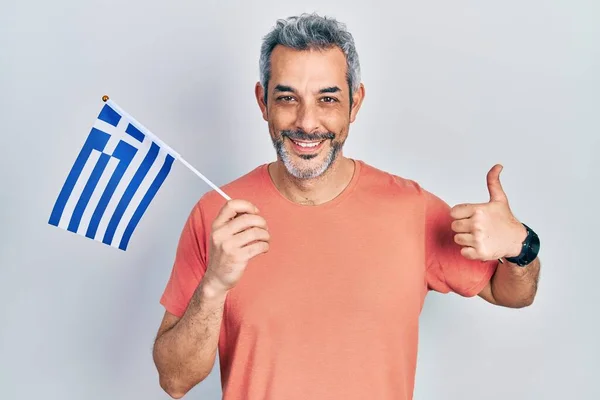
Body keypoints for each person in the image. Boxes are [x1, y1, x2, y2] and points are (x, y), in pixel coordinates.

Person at [152, 13, 541, 400]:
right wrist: (214, 286)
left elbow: (509, 292)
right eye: (287, 98)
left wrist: (520, 246)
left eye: (328, 99)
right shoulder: (217, 216)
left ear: (354, 104)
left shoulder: (410, 208)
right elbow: (174, 380)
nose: (307, 122)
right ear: (263, 102)